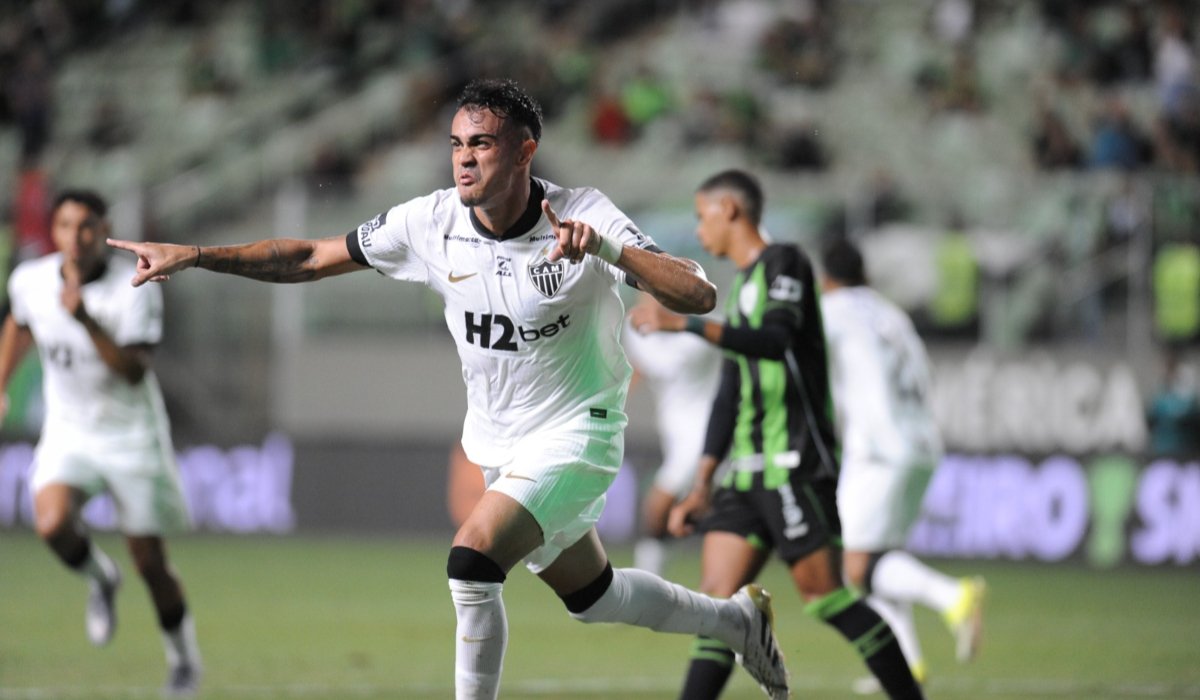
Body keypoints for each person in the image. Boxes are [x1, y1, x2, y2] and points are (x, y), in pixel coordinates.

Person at [107, 79, 790, 700]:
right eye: (457, 144)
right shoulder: (429, 222)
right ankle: (736, 621)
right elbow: (312, 257)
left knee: (471, 561)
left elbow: (697, 293)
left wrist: (607, 251)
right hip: (501, 445)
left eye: (482, 144)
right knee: (595, 598)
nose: (463, 159)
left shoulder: (583, 215)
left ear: (525, 152)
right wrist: (195, 254)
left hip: (580, 432)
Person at [632, 169, 924, 699]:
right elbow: (728, 393)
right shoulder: (741, 287)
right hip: (744, 473)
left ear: (731, 211)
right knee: (717, 604)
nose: (700, 233)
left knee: (827, 597)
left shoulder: (785, 263)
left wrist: (687, 324)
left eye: (703, 218)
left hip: (794, 464)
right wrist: (701, 481)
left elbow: (774, 340)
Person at [0, 189, 202, 696]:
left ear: (103, 231)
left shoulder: (136, 283)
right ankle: (100, 578)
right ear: (55, 232)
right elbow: (19, 324)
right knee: (50, 524)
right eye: (66, 226)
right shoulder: (30, 280)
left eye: (87, 226)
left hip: (131, 435)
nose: (77, 237)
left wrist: (84, 318)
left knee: (151, 564)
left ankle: (183, 661)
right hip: (69, 430)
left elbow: (133, 373)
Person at [818, 237, 985, 694]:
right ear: (865, 276)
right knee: (876, 556)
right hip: (921, 442)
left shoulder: (833, 309)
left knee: (853, 565)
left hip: (879, 448)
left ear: (826, 280)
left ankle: (953, 596)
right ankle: (907, 664)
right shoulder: (892, 314)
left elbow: (795, 348)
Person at [623, 292, 721, 575]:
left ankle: (646, 579)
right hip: (672, 431)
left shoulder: (700, 329)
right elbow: (637, 368)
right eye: (644, 290)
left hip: (704, 430)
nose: (648, 297)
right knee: (710, 506)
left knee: (659, 502)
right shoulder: (635, 326)